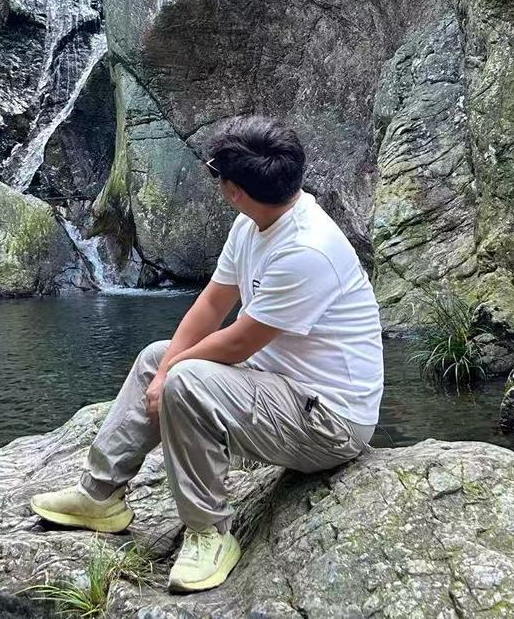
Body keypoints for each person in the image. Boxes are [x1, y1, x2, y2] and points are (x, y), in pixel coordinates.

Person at [30, 115, 383, 594]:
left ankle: (209, 533)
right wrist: (165, 370)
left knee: (185, 379)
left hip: (331, 422)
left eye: (217, 177)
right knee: (160, 357)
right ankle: (100, 495)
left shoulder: (307, 249)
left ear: (234, 189)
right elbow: (212, 304)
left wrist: (173, 375)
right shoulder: (253, 223)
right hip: (282, 385)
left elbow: (239, 339)